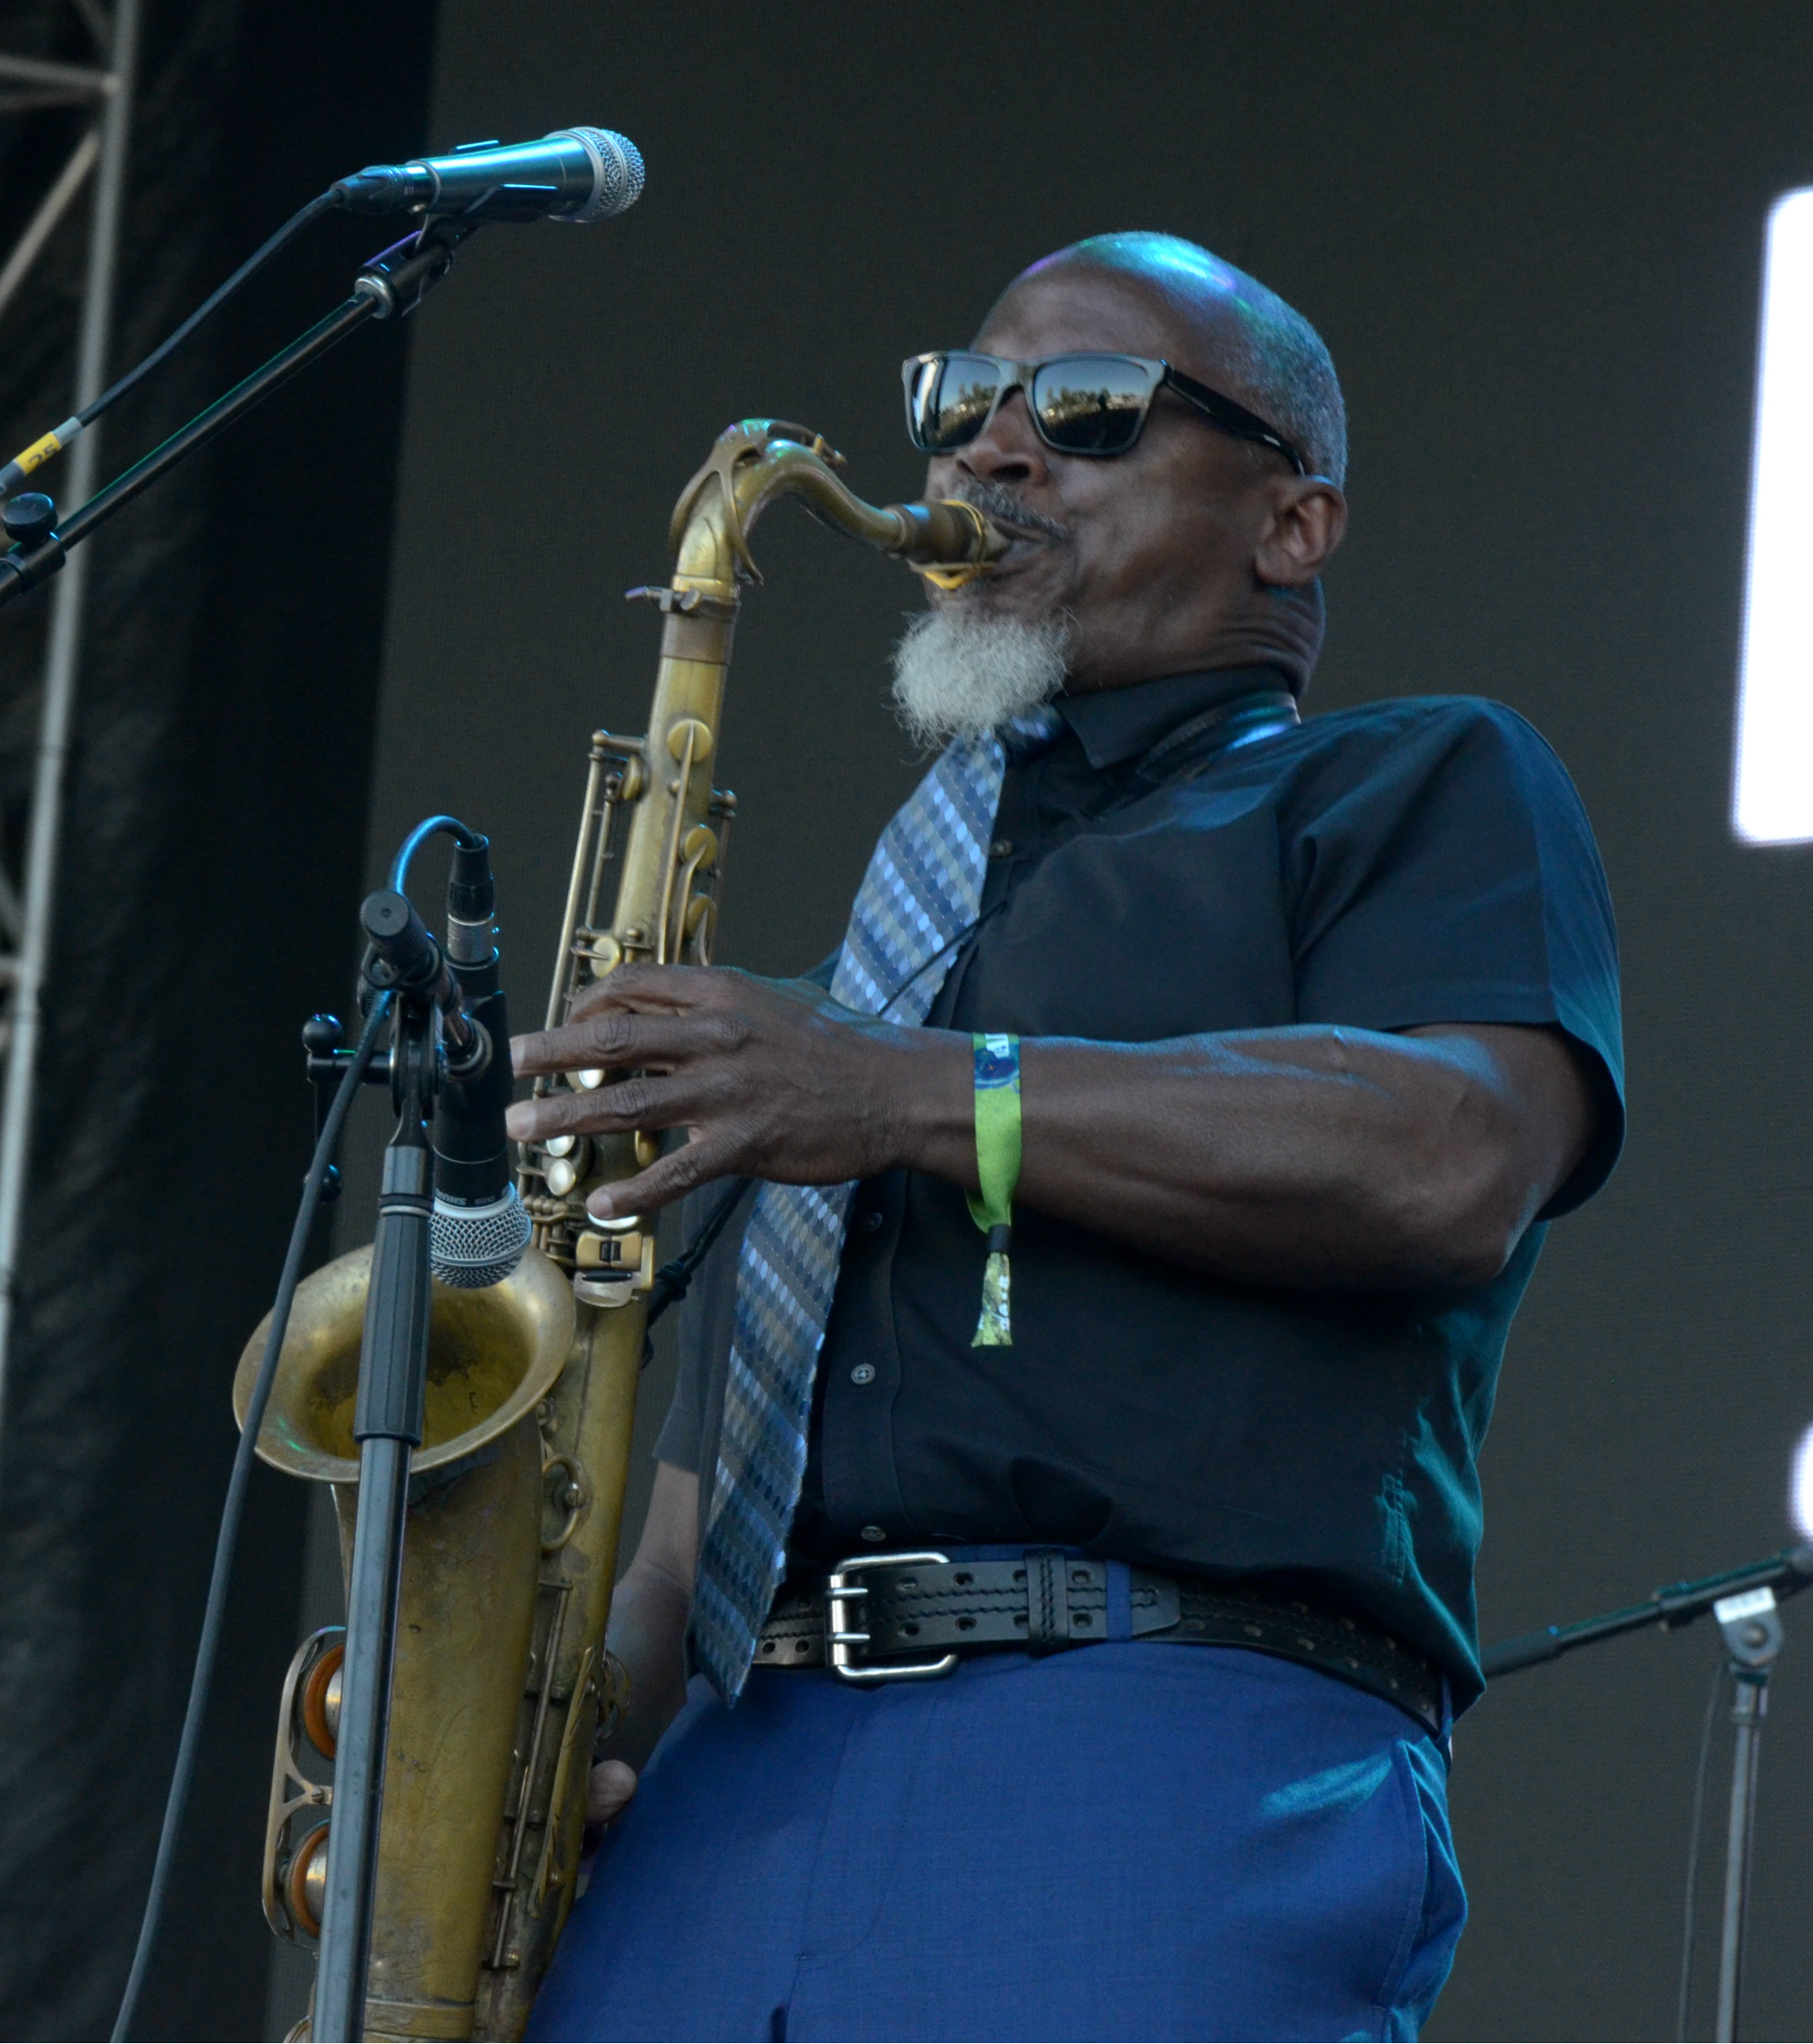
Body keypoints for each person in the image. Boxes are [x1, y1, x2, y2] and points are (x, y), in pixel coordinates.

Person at [502, 230, 1622, 2042]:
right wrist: (505, 1777)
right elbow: (683, 1534)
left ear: (1293, 526)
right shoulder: (870, 966)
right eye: (963, 402)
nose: (990, 452)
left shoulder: (1407, 781)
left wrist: (905, 1095)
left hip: (1145, 1743)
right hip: (720, 1800)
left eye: (1090, 412)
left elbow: (1449, 1160)